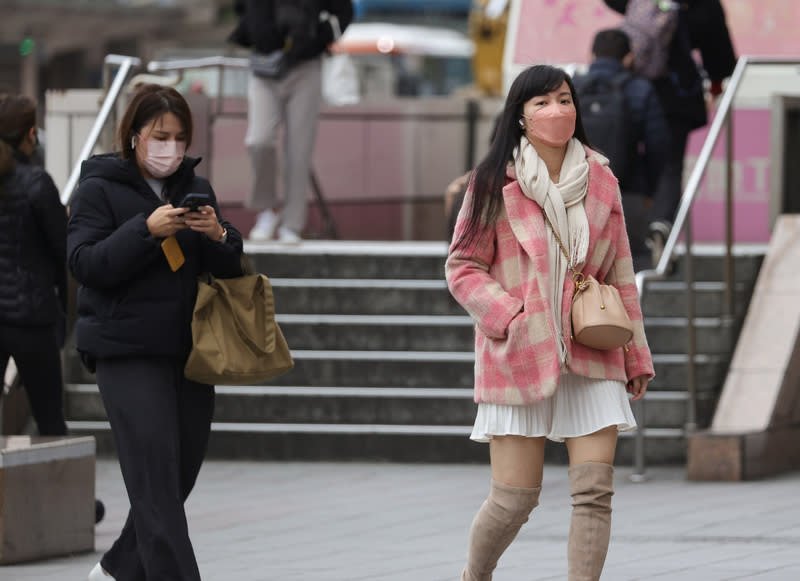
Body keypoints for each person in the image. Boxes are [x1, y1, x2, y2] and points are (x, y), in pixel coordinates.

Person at [445, 64, 654, 581]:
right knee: (514, 498)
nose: (556, 110)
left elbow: (622, 271)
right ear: (520, 115)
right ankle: (475, 576)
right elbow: (463, 267)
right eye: (541, 102)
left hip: (592, 343)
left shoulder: (602, 179)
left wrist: (636, 354)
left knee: (594, 494)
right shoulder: (494, 182)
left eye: (563, 98)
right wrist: (512, 316)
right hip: (522, 348)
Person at [67, 84, 244, 581]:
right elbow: (85, 264)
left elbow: (228, 268)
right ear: (134, 135)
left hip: (189, 351)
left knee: (175, 479)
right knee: (156, 485)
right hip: (125, 351)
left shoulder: (196, 187)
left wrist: (219, 235)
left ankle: (118, 569)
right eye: (160, 135)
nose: (170, 147)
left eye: (180, 137)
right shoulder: (98, 187)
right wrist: (147, 230)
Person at [604, 0, 736, 267]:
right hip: (674, 93)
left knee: (616, 159)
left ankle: (611, 229)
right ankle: (660, 224)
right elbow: (717, 48)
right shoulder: (703, 6)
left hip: (628, 89)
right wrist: (716, 83)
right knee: (670, 166)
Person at [229, 0, 354, 243]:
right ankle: (268, 208)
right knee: (259, 140)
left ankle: (292, 224)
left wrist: (317, 39)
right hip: (264, 66)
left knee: (299, 151)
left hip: (305, 66)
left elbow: (344, 11)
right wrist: (260, 33)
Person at [0, 93, 69, 438]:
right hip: (32, 318)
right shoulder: (36, 183)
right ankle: (63, 494)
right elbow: (63, 250)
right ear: (30, 134)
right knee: (49, 419)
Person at [573, 28, 670, 270]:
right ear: (628, 58)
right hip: (628, 190)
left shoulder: (571, 88)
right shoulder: (640, 89)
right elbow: (657, 144)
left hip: (577, 192)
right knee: (630, 265)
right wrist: (649, 188)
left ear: (591, 55)